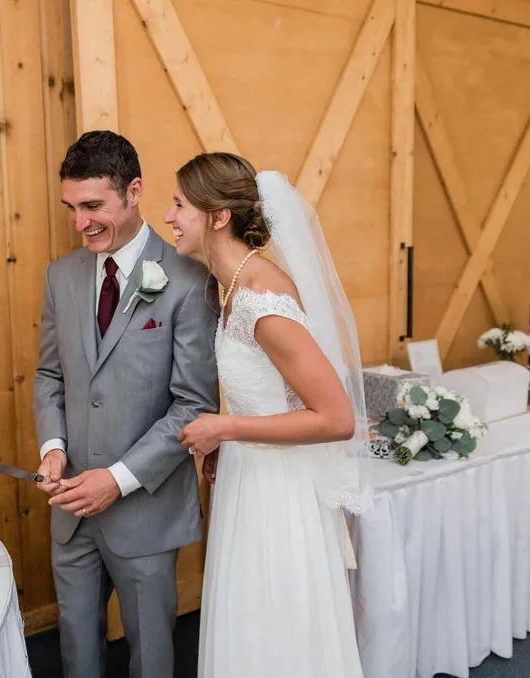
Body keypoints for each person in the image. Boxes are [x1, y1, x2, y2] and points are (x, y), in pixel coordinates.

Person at [168, 153, 371, 677]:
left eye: (180, 205)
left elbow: (336, 418)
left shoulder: (262, 299)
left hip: (278, 488)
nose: (169, 217)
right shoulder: (231, 284)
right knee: (248, 621)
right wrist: (230, 440)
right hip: (248, 475)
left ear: (218, 217)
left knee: (274, 622)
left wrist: (226, 427)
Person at [32, 131, 220, 678]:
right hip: (71, 512)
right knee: (77, 655)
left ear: (134, 191)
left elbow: (193, 406)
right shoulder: (61, 276)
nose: (81, 222)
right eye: (71, 208)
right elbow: (50, 374)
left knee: (152, 658)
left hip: (145, 513)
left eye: (93, 206)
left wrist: (116, 480)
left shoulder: (189, 280)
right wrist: (52, 446)